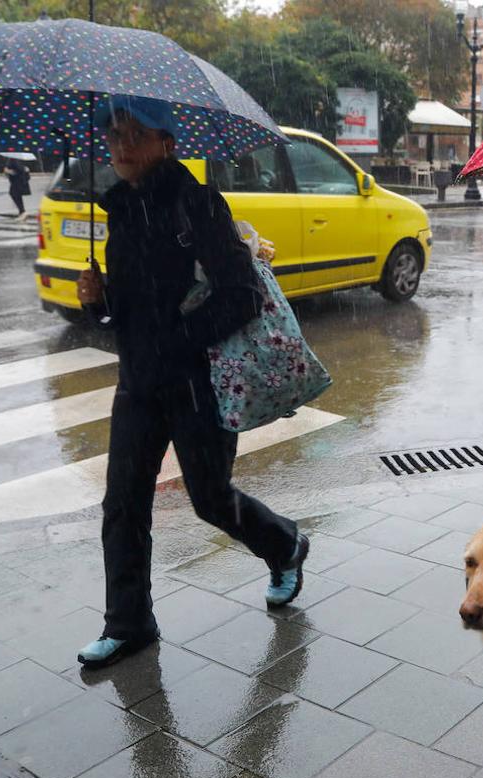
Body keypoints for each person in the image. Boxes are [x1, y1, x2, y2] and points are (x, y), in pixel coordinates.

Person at [75, 97, 309, 669]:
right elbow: (128, 310)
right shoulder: (120, 209)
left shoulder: (197, 204)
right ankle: (128, 624)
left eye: (135, 134)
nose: (122, 147)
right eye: (113, 136)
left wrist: (175, 339)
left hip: (197, 384)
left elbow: (242, 296)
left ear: (166, 142)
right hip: (137, 382)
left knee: (208, 498)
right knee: (123, 504)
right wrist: (99, 304)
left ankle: (285, 545)